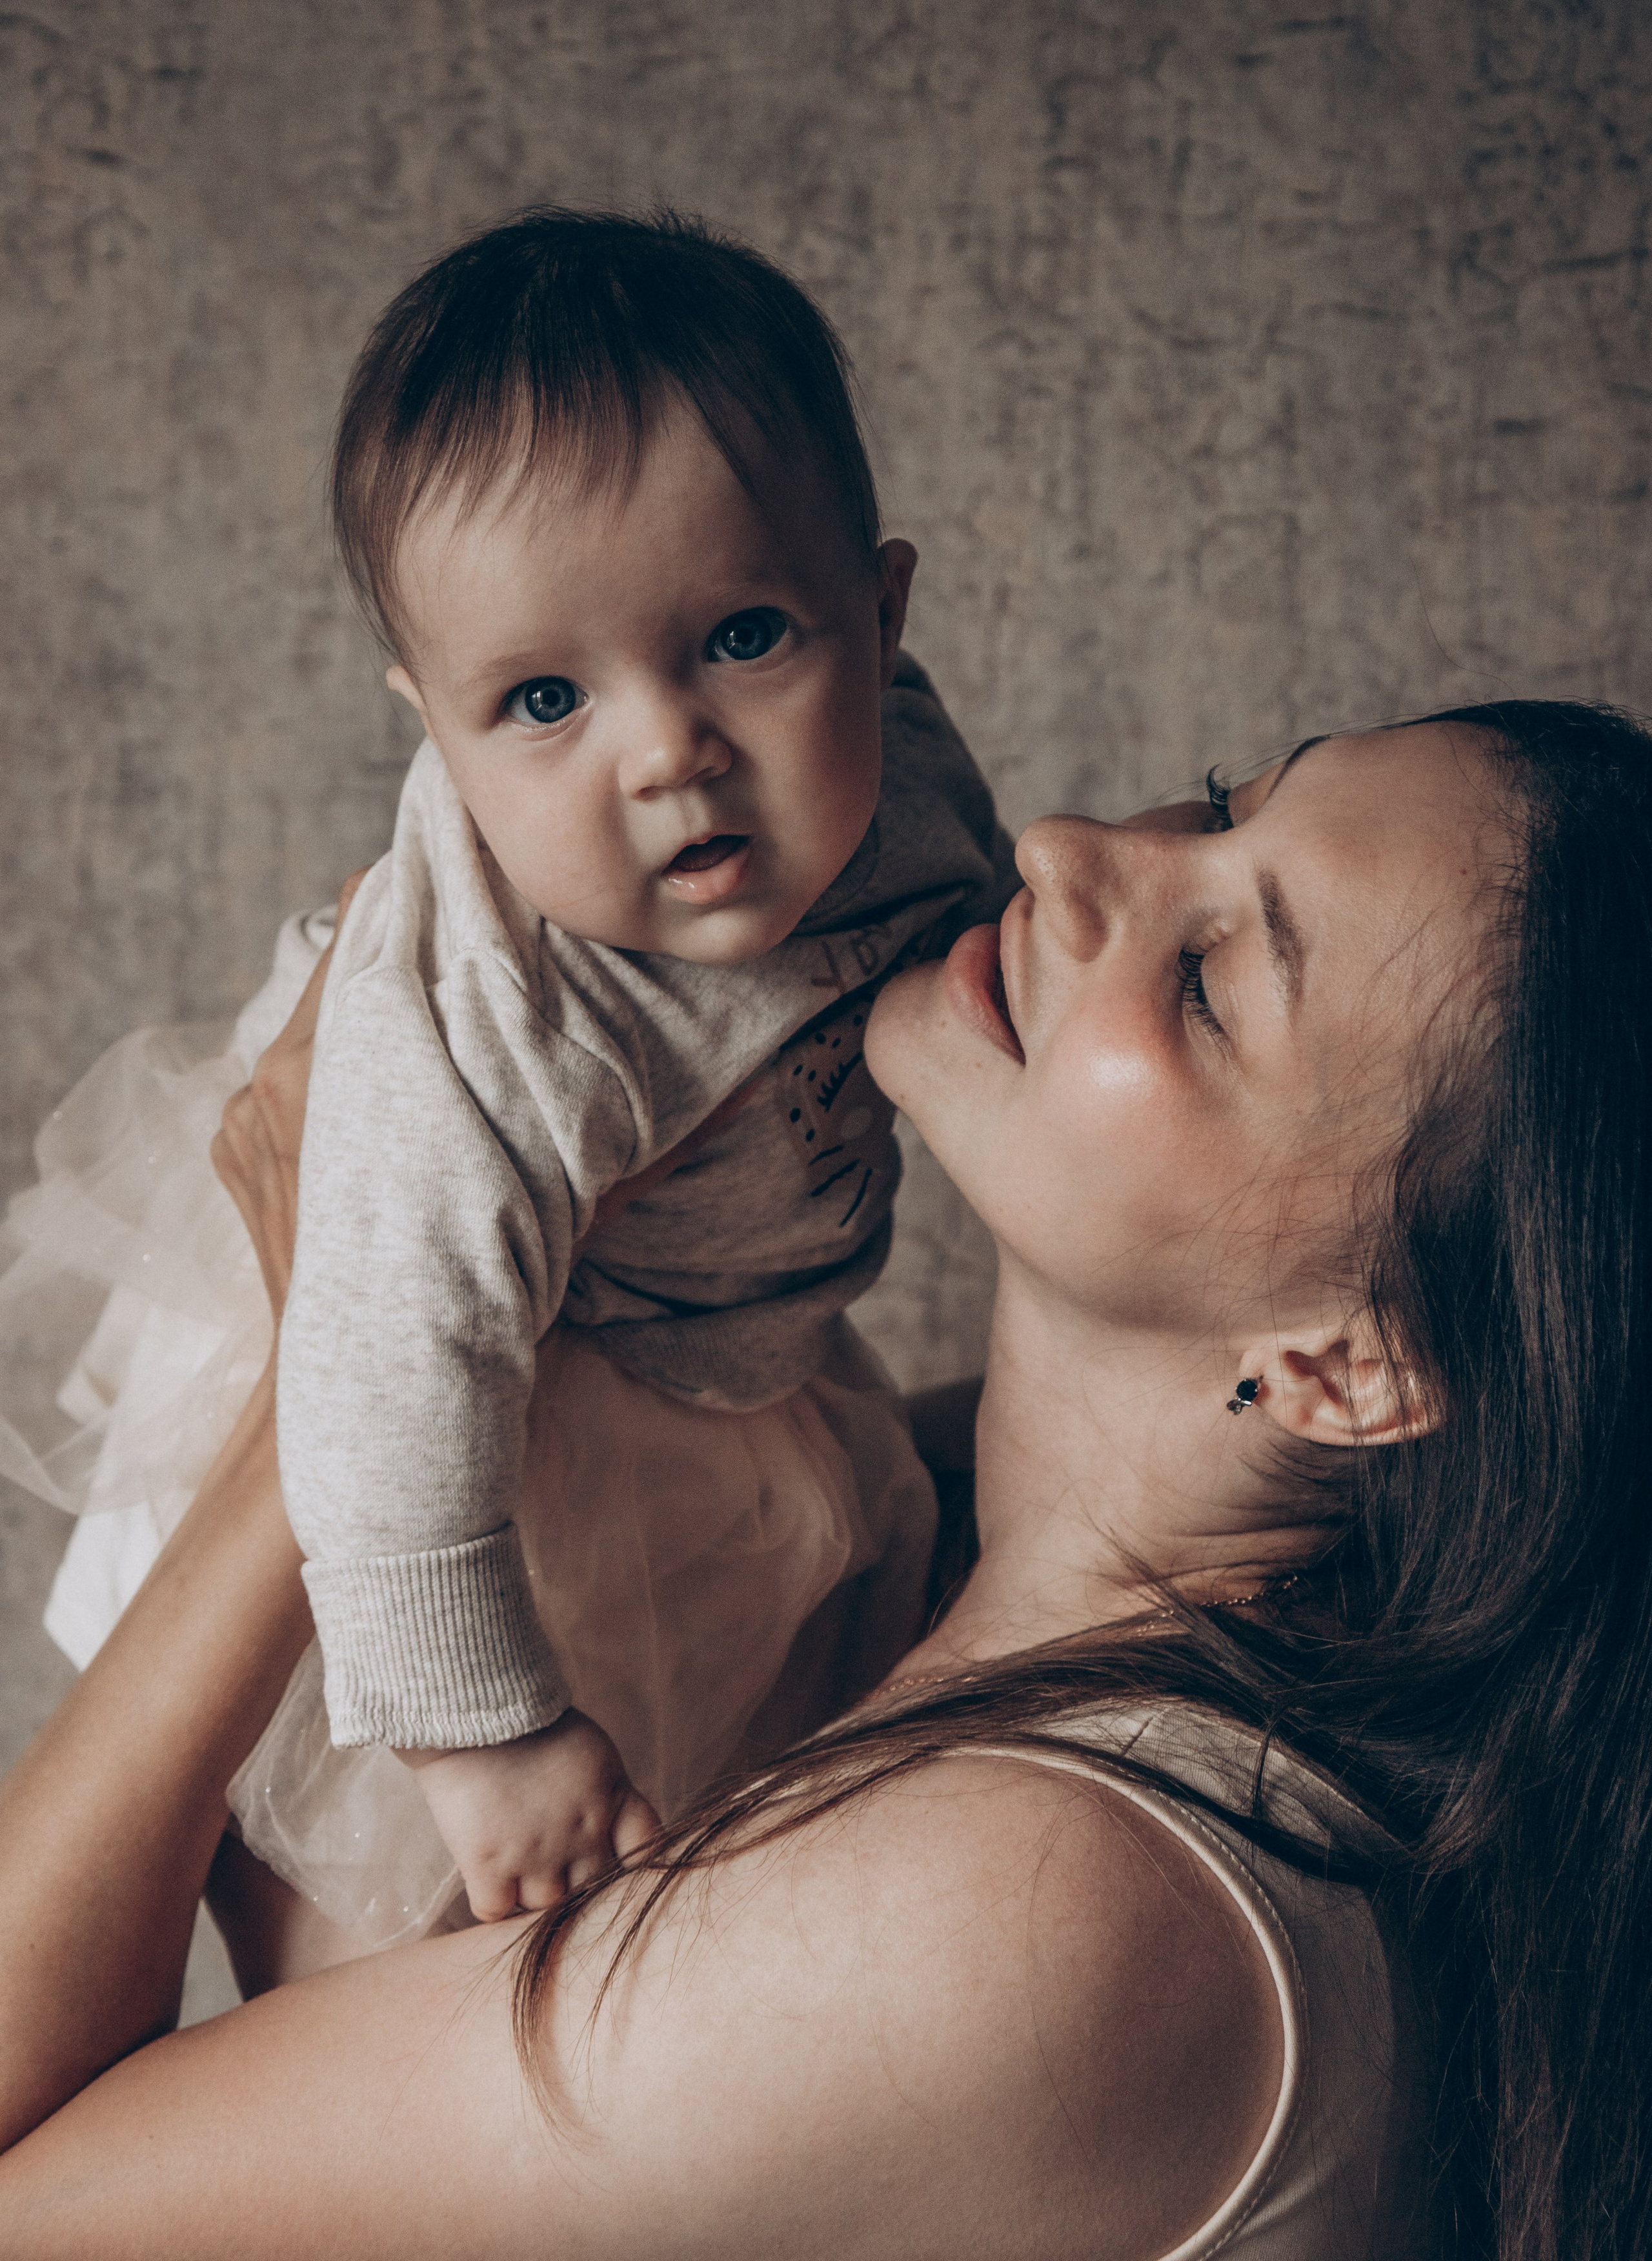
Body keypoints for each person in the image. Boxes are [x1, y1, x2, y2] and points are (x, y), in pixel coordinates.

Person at [2, 698, 1650, 2258]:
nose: (1076, 846)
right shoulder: (879, 1528)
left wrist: (350, 1376)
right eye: (1223, 802)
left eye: (1215, 976)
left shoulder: (1043, 1915)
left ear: (1347, 1364)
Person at [0, 209, 1016, 1945]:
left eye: (748, 637)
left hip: (695, 1340)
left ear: (883, 609)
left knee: (745, 1772)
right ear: (437, 730)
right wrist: (490, 1733)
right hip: (412, 1409)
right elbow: (389, 1404)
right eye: (544, 695)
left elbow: (1001, 927)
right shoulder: (504, 1018)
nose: (667, 748)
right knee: (406, 1908)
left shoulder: (902, 778)